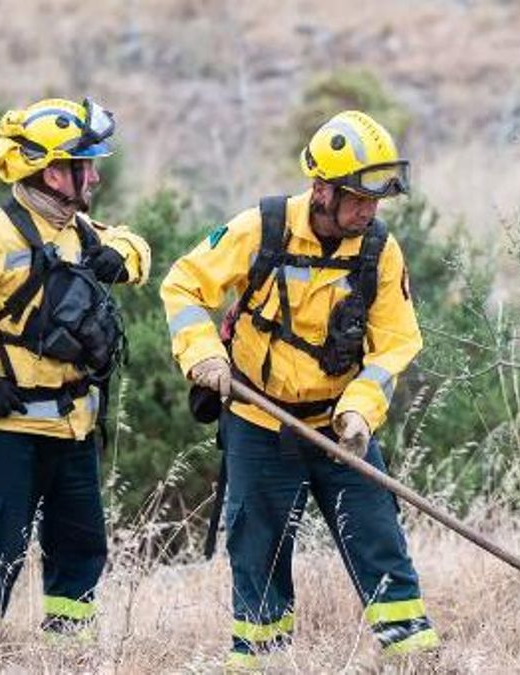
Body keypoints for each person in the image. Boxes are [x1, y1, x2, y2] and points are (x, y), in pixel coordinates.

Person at [160, 110, 439, 668]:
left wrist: (361, 410)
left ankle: (415, 659)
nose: (369, 209)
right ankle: (263, 660)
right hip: (259, 424)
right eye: (358, 198)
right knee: (257, 554)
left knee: (379, 538)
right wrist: (205, 356)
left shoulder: (379, 250)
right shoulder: (260, 229)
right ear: (321, 190)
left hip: (338, 428)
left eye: (376, 199)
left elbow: (396, 343)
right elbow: (183, 284)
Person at [0, 97, 150, 641]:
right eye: (85, 165)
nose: (95, 175)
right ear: (51, 171)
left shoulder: (76, 227)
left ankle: (67, 652)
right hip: (7, 429)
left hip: (73, 428)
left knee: (82, 546)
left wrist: (124, 255)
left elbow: (134, 244)